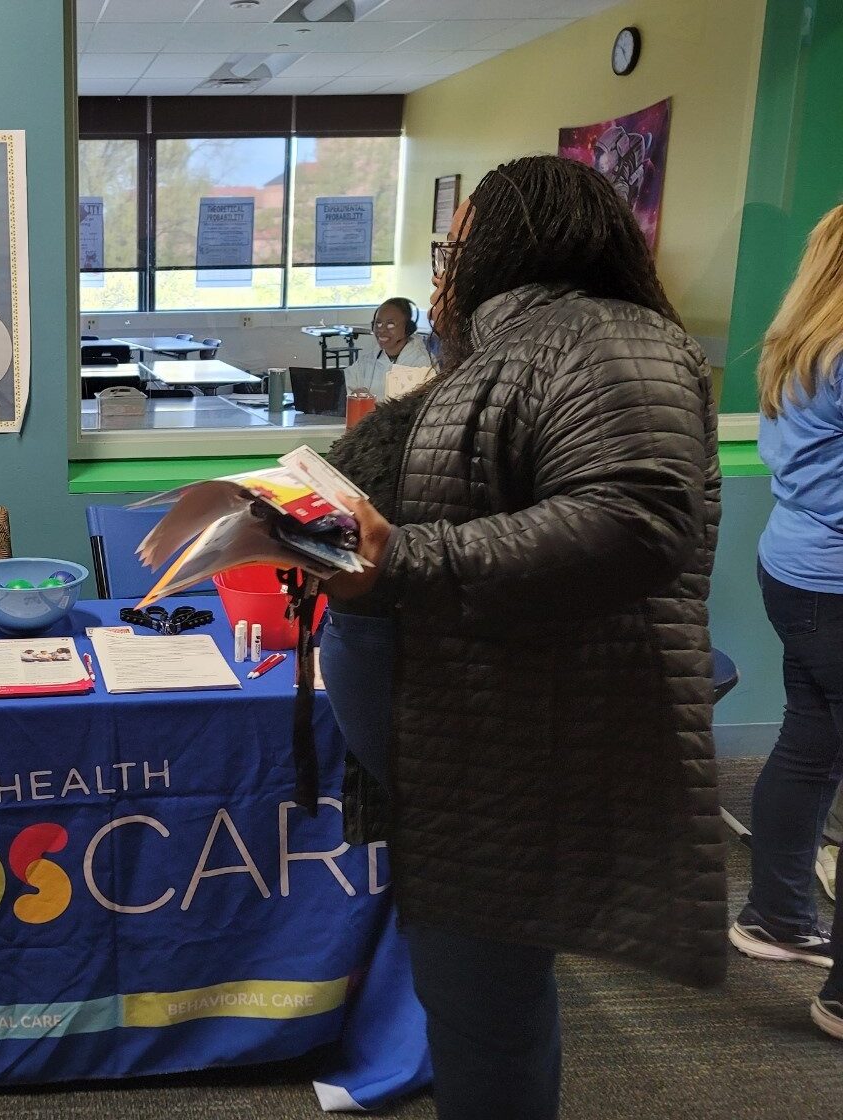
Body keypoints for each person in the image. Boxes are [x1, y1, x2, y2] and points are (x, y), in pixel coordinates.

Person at [318, 154, 724, 1118]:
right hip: (470, 731)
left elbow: (634, 521)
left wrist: (400, 561)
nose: (442, 271)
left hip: (507, 736)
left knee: (482, 1004)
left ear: (508, 242)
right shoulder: (521, 346)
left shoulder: (607, 340)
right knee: (471, 999)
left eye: (453, 248)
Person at [730, 203, 843, 1042]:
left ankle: (776, 917)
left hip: (794, 569)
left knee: (809, 743)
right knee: (811, 743)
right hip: (834, 584)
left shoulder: (796, 345)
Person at [342, 297, 431, 401]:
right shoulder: (365, 362)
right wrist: (355, 395)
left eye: (390, 324)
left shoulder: (423, 363)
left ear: (408, 328)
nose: (381, 330)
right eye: (378, 323)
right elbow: (348, 390)